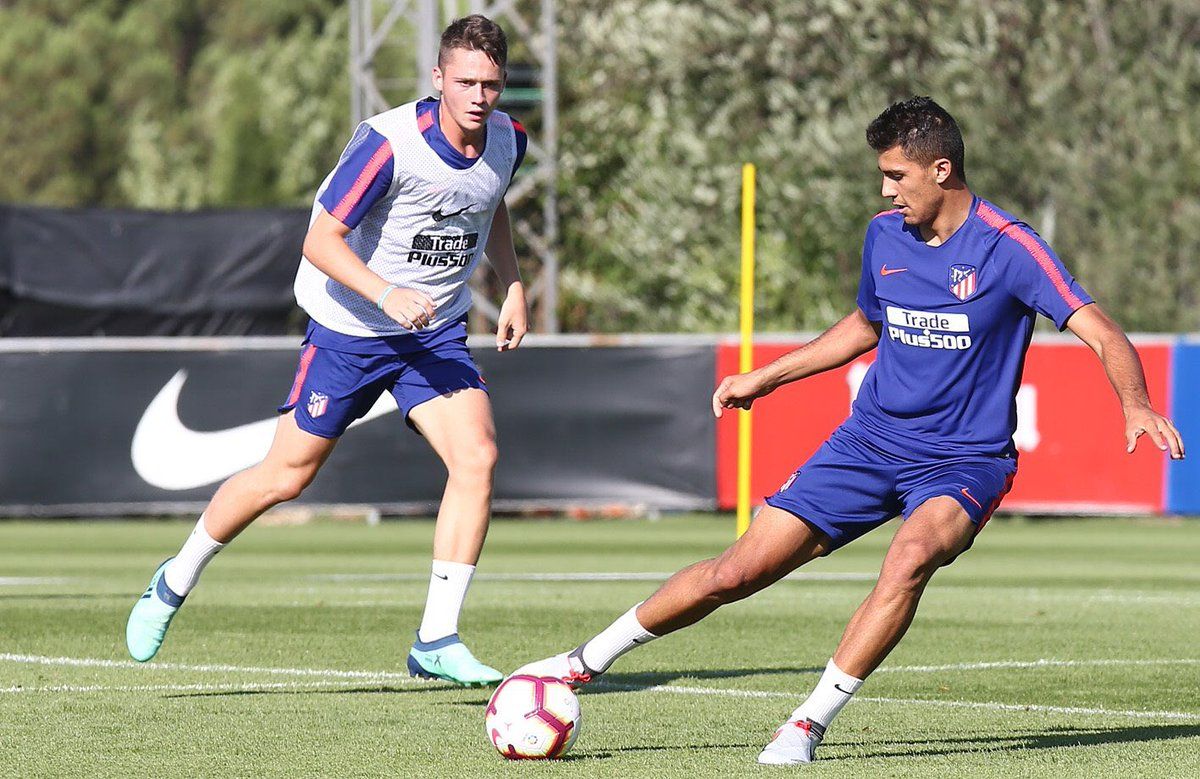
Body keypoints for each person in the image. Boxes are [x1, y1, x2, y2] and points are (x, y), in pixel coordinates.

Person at [513, 96, 1185, 762]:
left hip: (964, 460)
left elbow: (1101, 330)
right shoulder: (884, 235)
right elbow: (866, 324)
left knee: (910, 558)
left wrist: (1136, 403)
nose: (886, 189)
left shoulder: (1010, 246)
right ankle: (580, 663)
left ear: (942, 170)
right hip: (868, 443)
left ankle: (805, 725)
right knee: (736, 570)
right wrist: (767, 376)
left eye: (896, 175)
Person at [126, 14, 529, 688]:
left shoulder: (508, 140)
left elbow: (490, 204)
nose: (478, 97)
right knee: (286, 476)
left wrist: (512, 283)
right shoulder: (388, 144)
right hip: (351, 328)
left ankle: (436, 638)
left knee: (477, 456)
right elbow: (319, 239)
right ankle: (174, 578)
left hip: (433, 331)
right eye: (465, 83)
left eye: (490, 84)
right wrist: (385, 293)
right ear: (438, 78)